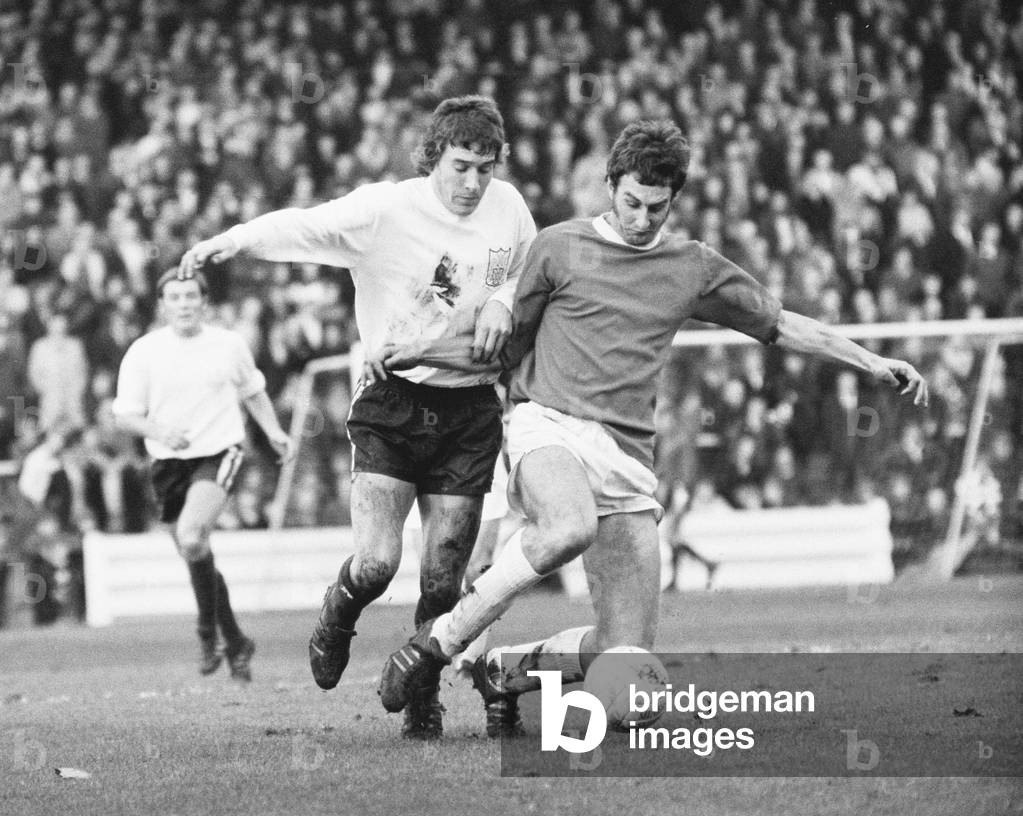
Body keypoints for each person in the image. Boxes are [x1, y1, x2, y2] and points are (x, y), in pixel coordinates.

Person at [376, 120, 929, 736]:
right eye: (632, 202)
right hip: (547, 426)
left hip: (626, 462)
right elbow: (500, 347)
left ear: (674, 200)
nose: (642, 218)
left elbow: (780, 324)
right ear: (612, 185)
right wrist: (423, 351)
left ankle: (504, 669)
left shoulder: (691, 267)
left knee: (630, 677)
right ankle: (438, 642)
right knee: (568, 527)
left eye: (656, 207)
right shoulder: (559, 247)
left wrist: (870, 361)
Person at [178, 96, 536, 738]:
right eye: (460, 167)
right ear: (433, 156)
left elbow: (529, 272)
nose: (472, 183)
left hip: (470, 406)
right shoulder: (385, 210)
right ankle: (339, 611)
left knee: (441, 579)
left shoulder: (508, 207)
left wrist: (503, 301)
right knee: (376, 563)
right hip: (393, 401)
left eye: (484, 169)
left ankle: (423, 694)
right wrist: (230, 241)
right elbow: (303, 225)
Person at [112, 268, 292, 681]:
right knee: (195, 552)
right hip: (167, 463)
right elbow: (124, 416)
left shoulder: (228, 344)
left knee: (192, 536)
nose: (184, 304)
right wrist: (159, 431)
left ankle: (207, 634)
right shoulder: (144, 351)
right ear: (162, 306)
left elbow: (253, 391)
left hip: (219, 450)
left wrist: (274, 431)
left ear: (205, 302)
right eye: (175, 298)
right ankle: (237, 641)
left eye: (191, 296)